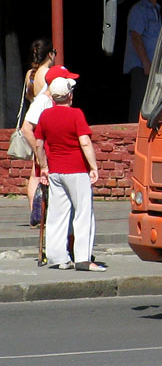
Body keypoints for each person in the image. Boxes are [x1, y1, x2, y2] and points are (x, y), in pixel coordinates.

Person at [34, 73, 105, 272]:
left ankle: (57, 257)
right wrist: (93, 167)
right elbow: (84, 141)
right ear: (69, 96)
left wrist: (44, 167)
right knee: (83, 213)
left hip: (55, 170)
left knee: (57, 213)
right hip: (76, 169)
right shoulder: (76, 114)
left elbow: (39, 144)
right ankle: (83, 258)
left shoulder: (45, 116)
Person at [21, 63, 75, 225]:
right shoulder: (42, 101)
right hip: (43, 148)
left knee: (37, 176)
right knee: (38, 178)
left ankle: (40, 216)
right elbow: (26, 128)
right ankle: (37, 216)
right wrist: (39, 153)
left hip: (46, 148)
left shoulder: (51, 101)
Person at [123, 0, 162, 121]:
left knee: (151, 104)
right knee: (139, 103)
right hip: (142, 66)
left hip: (153, 66)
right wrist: (145, 62)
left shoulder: (156, 10)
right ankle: (134, 134)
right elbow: (136, 36)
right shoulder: (139, 10)